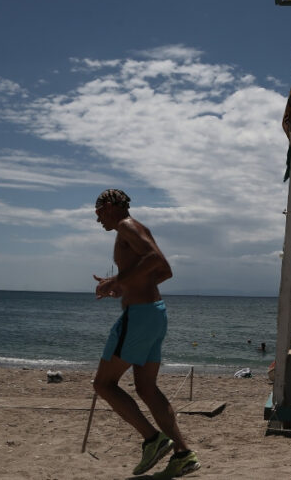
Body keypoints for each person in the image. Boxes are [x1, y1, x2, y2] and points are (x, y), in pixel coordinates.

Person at [91, 189, 200, 478]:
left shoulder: (127, 226)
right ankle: (183, 454)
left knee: (103, 384)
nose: (96, 216)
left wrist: (116, 280)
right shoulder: (134, 229)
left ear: (113, 206)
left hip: (139, 316)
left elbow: (154, 259)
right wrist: (124, 286)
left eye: (99, 209)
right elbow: (163, 271)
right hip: (154, 313)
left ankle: (153, 440)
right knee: (146, 388)